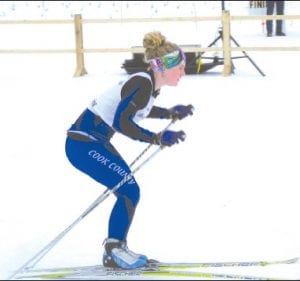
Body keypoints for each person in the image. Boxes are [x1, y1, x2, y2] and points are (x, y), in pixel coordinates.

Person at [65, 31, 194, 269]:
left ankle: (116, 249)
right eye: (180, 68)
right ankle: (114, 250)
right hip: (83, 143)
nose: (183, 73)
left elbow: (138, 109)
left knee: (129, 190)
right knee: (129, 190)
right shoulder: (143, 83)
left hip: (93, 142)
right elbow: (121, 122)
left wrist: (169, 113)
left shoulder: (148, 83)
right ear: (163, 67)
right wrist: (156, 138)